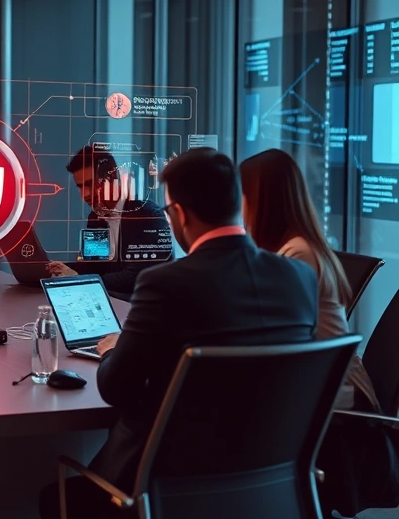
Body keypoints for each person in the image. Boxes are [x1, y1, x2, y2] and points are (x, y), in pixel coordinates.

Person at [40, 149, 319, 519]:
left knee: (53, 496)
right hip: (271, 480)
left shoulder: (165, 284)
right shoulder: (299, 277)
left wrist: (112, 348)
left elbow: (116, 388)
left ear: (181, 215)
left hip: (166, 484)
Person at [239, 148, 352, 340]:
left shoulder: (298, 255)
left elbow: (272, 328)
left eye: (240, 194)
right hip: (319, 366)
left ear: (260, 200)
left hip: (328, 369)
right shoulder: (299, 247)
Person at [46, 145, 173, 296]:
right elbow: (93, 266)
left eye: (90, 184)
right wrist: (58, 269)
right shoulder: (95, 217)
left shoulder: (149, 216)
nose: (84, 195)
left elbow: (134, 278)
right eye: (80, 187)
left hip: (147, 307)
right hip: (115, 302)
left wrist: (78, 278)